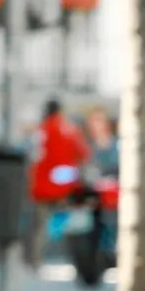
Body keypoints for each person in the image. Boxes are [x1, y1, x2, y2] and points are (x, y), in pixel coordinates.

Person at [27, 99, 88, 266]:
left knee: (39, 227)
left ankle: (35, 261)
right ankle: (73, 260)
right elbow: (83, 155)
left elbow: (33, 157)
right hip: (65, 187)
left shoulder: (41, 131)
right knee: (71, 224)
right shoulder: (70, 129)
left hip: (41, 188)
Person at [82, 106, 119, 177]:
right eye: (91, 121)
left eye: (98, 120)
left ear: (107, 122)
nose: (94, 124)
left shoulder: (118, 146)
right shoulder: (86, 147)